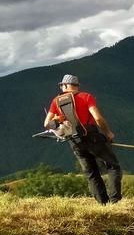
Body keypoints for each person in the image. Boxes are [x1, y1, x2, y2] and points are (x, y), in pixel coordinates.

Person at [43, 74, 122, 204]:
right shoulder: (86, 97)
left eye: (62, 85)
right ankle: (115, 202)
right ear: (76, 86)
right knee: (113, 166)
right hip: (92, 138)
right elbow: (97, 118)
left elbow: (46, 124)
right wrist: (108, 133)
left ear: (66, 85)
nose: (62, 87)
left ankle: (103, 204)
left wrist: (57, 120)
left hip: (75, 142)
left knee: (91, 174)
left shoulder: (55, 101)